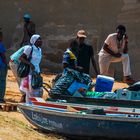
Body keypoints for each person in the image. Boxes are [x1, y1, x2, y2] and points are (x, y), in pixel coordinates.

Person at [19, 34, 42, 103]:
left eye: (41, 39)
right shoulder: (29, 48)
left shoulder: (39, 50)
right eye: (39, 39)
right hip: (29, 72)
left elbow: (37, 62)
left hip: (36, 72)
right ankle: (28, 105)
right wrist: (30, 64)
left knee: (36, 89)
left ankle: (32, 105)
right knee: (29, 90)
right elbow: (21, 58)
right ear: (34, 41)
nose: (41, 41)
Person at [0, 29, 7, 103]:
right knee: (2, 81)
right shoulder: (1, 44)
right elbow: (3, 56)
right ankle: (1, 98)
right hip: (1, 65)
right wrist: (6, 64)